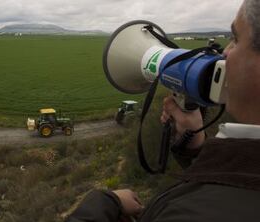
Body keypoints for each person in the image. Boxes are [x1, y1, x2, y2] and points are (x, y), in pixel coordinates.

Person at [66, 0, 260, 221]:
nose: (224, 52)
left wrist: (108, 202)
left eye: (235, 39)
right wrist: (196, 145)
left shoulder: (191, 213)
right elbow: (230, 178)